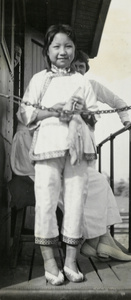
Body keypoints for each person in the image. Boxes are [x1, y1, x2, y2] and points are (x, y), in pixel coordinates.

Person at [14, 24, 99, 285]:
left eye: (68, 46)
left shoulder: (82, 81)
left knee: (75, 203)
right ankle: (50, 262)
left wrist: (83, 110)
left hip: (78, 149)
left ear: (74, 50)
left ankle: (71, 261)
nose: (63, 52)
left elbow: (93, 117)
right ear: (48, 50)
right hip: (47, 148)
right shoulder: (39, 79)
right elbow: (26, 114)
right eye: (57, 46)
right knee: (47, 203)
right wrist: (54, 111)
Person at [73, 49, 131, 260]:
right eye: (74, 65)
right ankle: (100, 240)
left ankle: (95, 241)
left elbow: (118, 101)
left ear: (86, 70)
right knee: (91, 188)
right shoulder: (61, 87)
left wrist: (126, 121)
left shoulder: (93, 87)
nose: (77, 69)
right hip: (69, 145)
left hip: (88, 145)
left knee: (94, 187)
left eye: (81, 66)